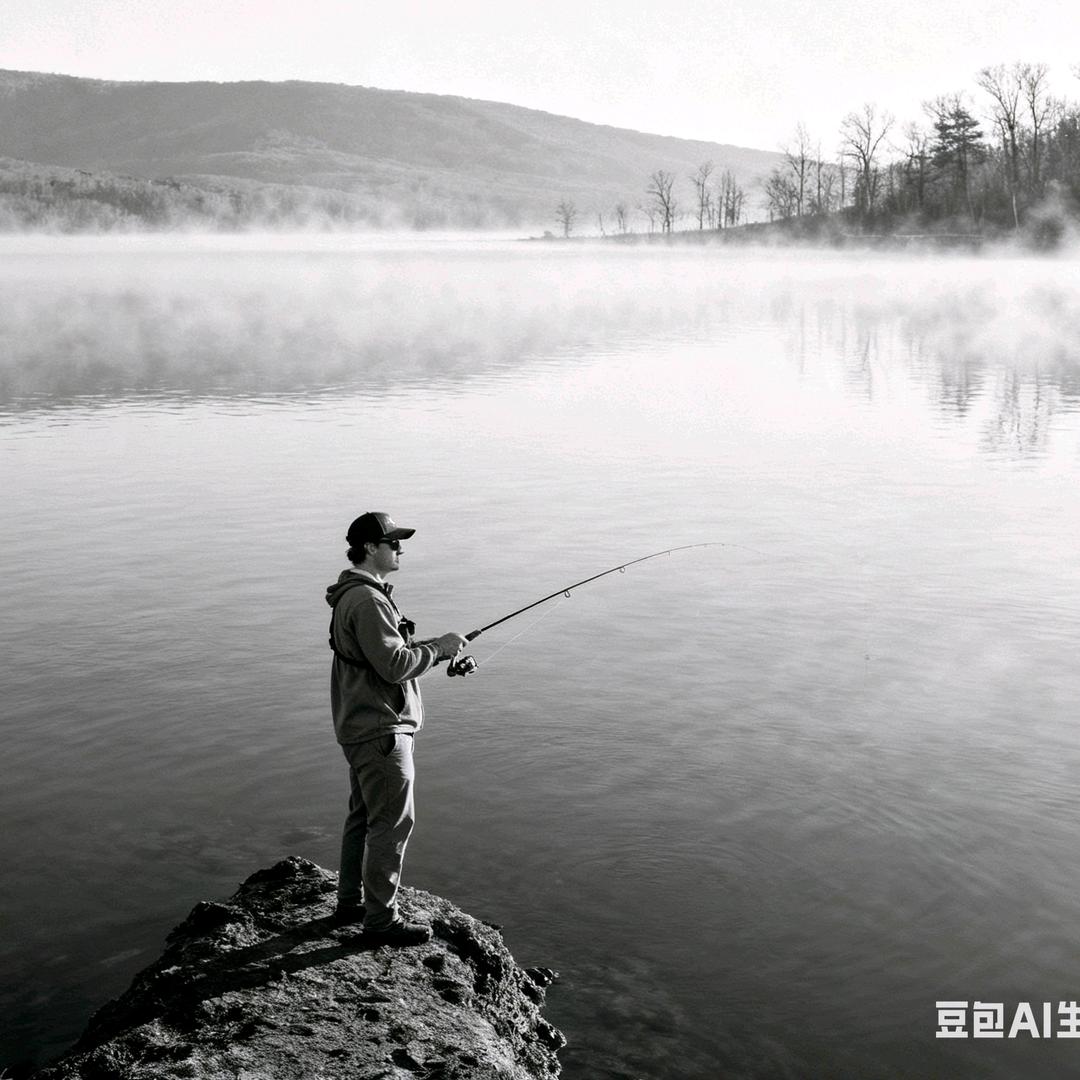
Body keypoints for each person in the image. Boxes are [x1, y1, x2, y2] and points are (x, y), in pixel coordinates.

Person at [325, 511, 468, 945]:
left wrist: (433, 650)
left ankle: (350, 903)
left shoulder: (356, 595)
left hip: (362, 724)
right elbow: (393, 666)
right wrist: (439, 649)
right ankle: (381, 922)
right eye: (393, 543)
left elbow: (385, 657)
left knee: (363, 817)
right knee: (391, 826)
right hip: (381, 729)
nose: (400, 549)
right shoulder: (367, 601)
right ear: (371, 548)